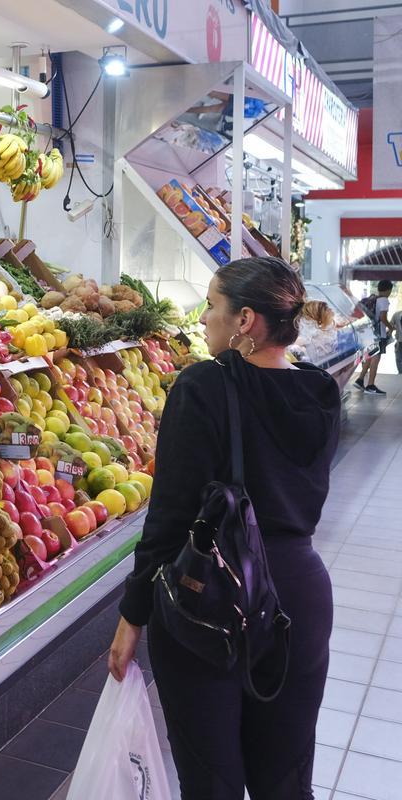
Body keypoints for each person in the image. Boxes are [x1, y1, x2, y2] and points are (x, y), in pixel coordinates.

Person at [108, 257, 340, 800]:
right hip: (298, 595)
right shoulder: (321, 392)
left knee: (211, 780)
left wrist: (132, 615)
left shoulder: (201, 386)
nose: (204, 315)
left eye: (212, 305)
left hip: (213, 596)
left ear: (245, 322)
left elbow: (168, 518)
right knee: (285, 779)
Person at [354, 279, 393, 394]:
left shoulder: (373, 299)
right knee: (376, 358)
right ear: (388, 290)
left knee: (370, 356)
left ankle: (360, 380)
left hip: (369, 333)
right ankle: (370, 385)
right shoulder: (384, 300)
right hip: (378, 334)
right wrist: (391, 327)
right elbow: (383, 318)